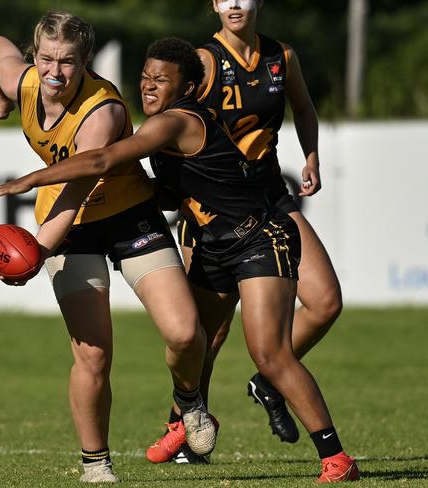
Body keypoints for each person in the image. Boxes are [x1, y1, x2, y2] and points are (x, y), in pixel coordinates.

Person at [0, 36, 359, 483]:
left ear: (188, 87)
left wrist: (29, 180)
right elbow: (168, 188)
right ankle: (186, 415)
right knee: (196, 339)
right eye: (144, 77)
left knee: (268, 353)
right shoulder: (157, 123)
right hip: (212, 241)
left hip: (256, 237)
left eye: (161, 80)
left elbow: (100, 158)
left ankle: (336, 459)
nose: (148, 86)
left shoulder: (175, 122)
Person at [0, 12, 216, 483]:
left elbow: (77, 186)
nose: (55, 71)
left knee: (187, 334)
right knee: (93, 353)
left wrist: (38, 251)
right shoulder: (23, 82)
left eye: (68, 62)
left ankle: (188, 399)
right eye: (46, 58)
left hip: (127, 216)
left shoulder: (102, 110)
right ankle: (96, 465)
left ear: (85, 62)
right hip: (71, 229)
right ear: (34, 56)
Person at [149, 0, 345, 464]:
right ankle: (184, 429)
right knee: (206, 335)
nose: (236, 3)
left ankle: (270, 375)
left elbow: (305, 108)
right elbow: (176, 132)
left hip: (270, 195)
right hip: (212, 208)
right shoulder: (202, 62)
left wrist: (311, 155)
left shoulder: (282, 57)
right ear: (215, 5)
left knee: (326, 301)